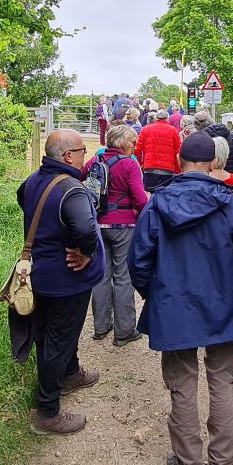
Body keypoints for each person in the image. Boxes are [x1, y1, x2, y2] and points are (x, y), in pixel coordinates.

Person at [128, 133, 233, 465]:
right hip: (224, 307)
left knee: (182, 386)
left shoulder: (158, 205)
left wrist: (158, 295)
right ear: (214, 164)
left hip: (175, 309)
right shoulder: (229, 202)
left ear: (179, 160)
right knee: (223, 385)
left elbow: (138, 261)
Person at [16, 129, 104, 435]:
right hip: (67, 280)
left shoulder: (34, 179)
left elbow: (21, 199)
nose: (86, 156)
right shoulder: (72, 189)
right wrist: (87, 254)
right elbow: (86, 229)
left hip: (39, 274)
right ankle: (48, 412)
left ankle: (70, 373)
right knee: (57, 339)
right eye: (82, 150)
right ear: (68, 156)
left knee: (58, 333)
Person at [81, 125, 147, 346]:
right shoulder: (129, 164)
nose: (135, 146)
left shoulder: (95, 161)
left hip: (98, 225)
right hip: (124, 226)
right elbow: (140, 198)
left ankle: (101, 327)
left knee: (101, 276)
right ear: (122, 143)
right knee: (123, 278)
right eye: (132, 142)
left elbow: (80, 177)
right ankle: (124, 331)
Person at [135, 109, 182, 192]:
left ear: (156, 118)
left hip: (150, 167)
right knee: (165, 195)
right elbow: (178, 151)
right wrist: (178, 170)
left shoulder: (146, 129)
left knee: (151, 194)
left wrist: (140, 164)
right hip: (167, 169)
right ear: (167, 118)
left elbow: (137, 149)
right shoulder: (173, 130)